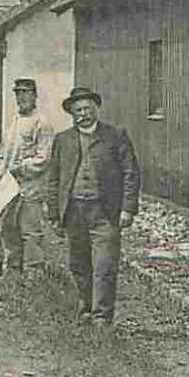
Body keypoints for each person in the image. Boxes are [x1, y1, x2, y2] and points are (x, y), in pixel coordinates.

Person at [44, 87, 141, 327]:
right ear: (72, 114)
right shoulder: (63, 140)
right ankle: (86, 307)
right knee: (78, 264)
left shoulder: (115, 135)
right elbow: (54, 178)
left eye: (88, 108)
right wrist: (54, 214)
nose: (84, 114)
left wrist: (128, 208)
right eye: (78, 110)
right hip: (74, 210)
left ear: (96, 109)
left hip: (105, 212)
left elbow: (131, 173)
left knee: (105, 265)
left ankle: (102, 317)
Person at [0, 78, 53, 282]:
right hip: (8, 186)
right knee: (8, 226)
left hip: (30, 185)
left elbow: (44, 158)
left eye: (26, 92)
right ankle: (12, 267)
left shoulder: (42, 122)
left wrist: (23, 168)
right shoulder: (14, 121)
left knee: (30, 229)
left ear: (35, 95)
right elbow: (5, 152)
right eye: (18, 93)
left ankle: (34, 272)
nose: (22, 97)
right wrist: (0, 173)